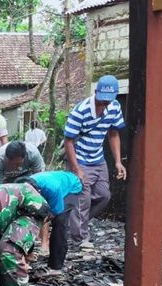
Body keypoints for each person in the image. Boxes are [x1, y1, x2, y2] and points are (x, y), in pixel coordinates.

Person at [63, 75, 126, 244]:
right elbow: (68, 141)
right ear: (96, 92)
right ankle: (80, 239)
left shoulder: (114, 107)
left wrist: (118, 161)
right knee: (82, 200)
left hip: (98, 159)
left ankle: (74, 222)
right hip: (80, 159)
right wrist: (76, 168)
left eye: (108, 100)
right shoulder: (80, 111)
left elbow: (113, 133)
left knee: (104, 195)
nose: (104, 104)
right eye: (102, 99)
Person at [16, 171, 82, 274]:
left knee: (59, 222)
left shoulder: (52, 189)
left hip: (71, 188)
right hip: (54, 185)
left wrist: (42, 220)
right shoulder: (22, 187)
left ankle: (55, 267)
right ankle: (25, 257)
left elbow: (55, 211)